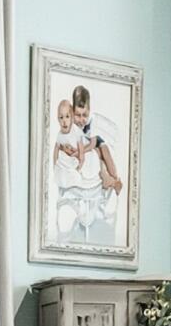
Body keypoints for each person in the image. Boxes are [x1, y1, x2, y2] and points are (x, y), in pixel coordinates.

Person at [48, 85, 125, 247]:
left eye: (85, 115)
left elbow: (90, 143)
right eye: (77, 115)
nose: (81, 119)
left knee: (102, 151)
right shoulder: (70, 129)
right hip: (89, 146)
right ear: (71, 112)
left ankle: (113, 177)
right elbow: (63, 145)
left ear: (89, 112)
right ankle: (110, 178)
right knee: (99, 153)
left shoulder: (86, 126)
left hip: (94, 144)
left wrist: (85, 151)